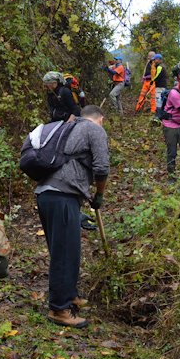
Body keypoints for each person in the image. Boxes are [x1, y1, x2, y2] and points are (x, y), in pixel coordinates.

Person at [34, 105, 110, 328]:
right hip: (63, 196)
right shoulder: (94, 130)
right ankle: (59, 309)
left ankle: (69, 295)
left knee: (66, 250)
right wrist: (99, 195)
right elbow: (102, 167)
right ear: (100, 119)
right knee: (65, 254)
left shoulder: (67, 127)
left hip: (46, 194)